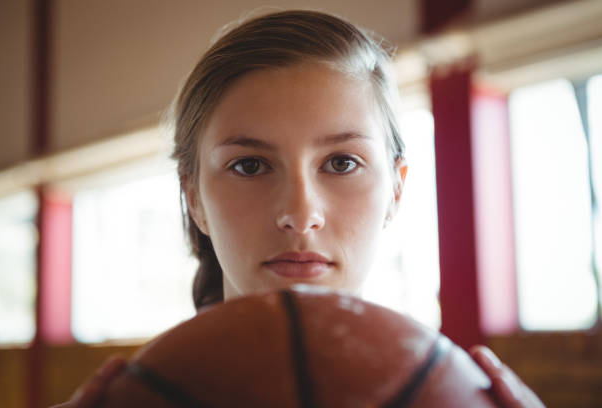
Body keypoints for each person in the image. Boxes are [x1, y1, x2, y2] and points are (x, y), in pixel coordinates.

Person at [55, 9, 544, 408]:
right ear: (194, 198)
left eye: (341, 162)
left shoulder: (455, 397)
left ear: (396, 190)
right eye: (249, 165)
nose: (299, 212)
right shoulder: (135, 398)